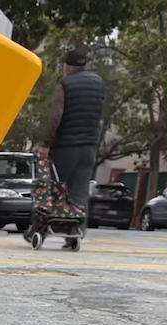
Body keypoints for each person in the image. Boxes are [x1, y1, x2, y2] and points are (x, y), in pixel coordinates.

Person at [40, 48, 104, 226]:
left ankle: (41, 228)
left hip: (66, 146)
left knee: (53, 187)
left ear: (67, 67)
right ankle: (76, 230)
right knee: (80, 192)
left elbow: (56, 116)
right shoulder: (97, 82)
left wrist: (46, 144)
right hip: (89, 146)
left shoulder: (65, 84)